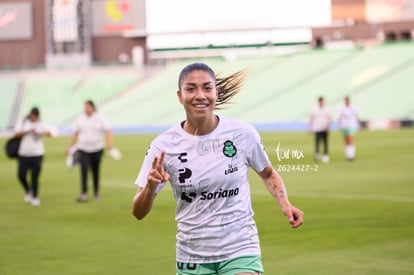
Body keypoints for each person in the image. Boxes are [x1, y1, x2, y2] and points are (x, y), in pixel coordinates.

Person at [131, 62, 304, 275]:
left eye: (207, 87)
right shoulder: (163, 146)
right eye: (191, 88)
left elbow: (267, 173)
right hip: (192, 256)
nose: (200, 95)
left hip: (240, 248)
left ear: (216, 92)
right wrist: (150, 187)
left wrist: (285, 203)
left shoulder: (242, 134)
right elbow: (138, 212)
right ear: (179, 96)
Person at [65, 100, 113, 202]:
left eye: (87, 107)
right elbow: (75, 133)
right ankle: (84, 193)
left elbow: (108, 131)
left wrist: (109, 144)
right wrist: (69, 146)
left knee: (95, 171)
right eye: (85, 107)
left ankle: (96, 193)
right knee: (84, 170)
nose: (86, 109)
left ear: (92, 107)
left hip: (97, 149)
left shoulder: (100, 118)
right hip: (83, 149)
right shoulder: (80, 118)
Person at [14, 107, 53, 206]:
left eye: (36, 116)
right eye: (33, 115)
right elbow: (16, 134)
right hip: (23, 154)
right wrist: (27, 130)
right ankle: (28, 190)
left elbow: (50, 133)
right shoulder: (23, 122)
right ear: (30, 114)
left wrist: (38, 132)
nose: (34, 117)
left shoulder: (41, 123)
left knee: (35, 176)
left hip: (37, 154)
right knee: (21, 175)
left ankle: (35, 197)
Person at [309, 96, 332, 163]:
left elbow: (329, 118)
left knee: (325, 142)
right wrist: (310, 127)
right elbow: (311, 118)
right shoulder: (314, 109)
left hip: (324, 128)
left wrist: (327, 126)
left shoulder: (327, 108)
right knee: (317, 141)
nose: (321, 102)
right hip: (317, 128)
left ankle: (325, 155)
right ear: (319, 101)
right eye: (320, 101)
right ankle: (317, 154)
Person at [338, 96, 360, 161]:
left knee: (350, 140)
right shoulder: (342, 108)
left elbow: (356, 116)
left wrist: (359, 124)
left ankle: (351, 156)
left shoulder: (353, 107)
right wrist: (339, 125)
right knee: (346, 141)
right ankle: (348, 155)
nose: (346, 102)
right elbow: (340, 117)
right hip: (344, 126)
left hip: (351, 125)